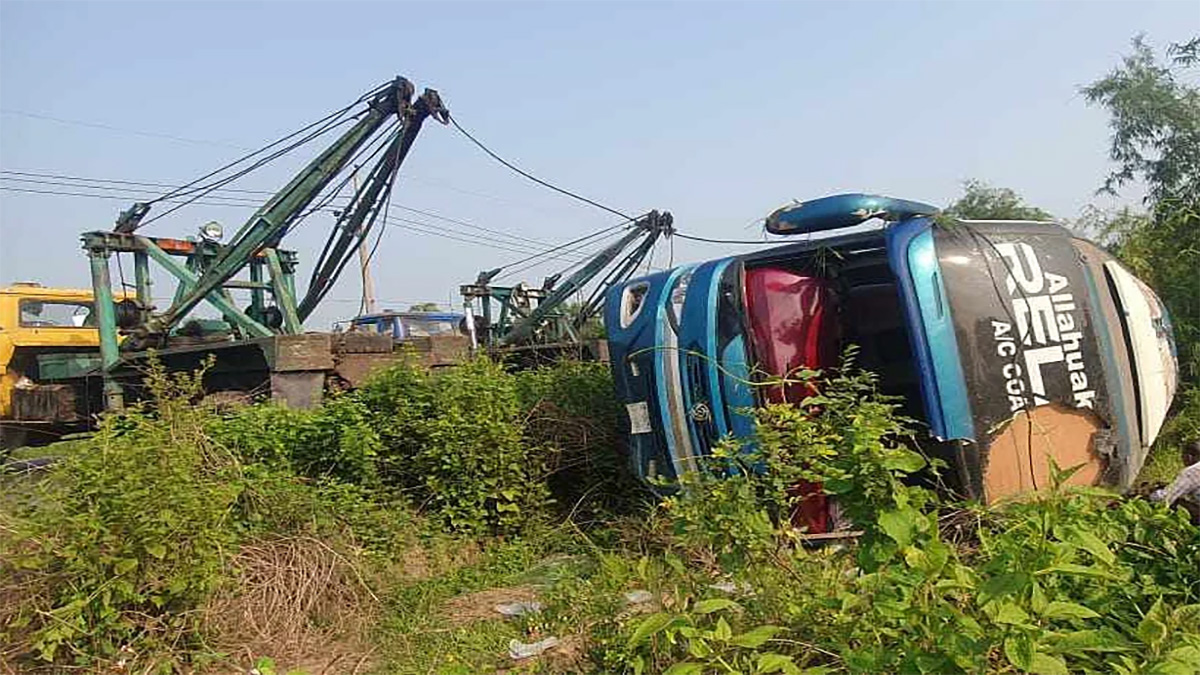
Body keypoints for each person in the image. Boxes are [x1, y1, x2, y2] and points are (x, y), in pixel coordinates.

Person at [1151, 440, 1200, 524]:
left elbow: (1165, 498)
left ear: (1189, 457)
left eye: (1182, 456)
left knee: (1176, 503)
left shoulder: (1191, 472)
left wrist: (1147, 495)